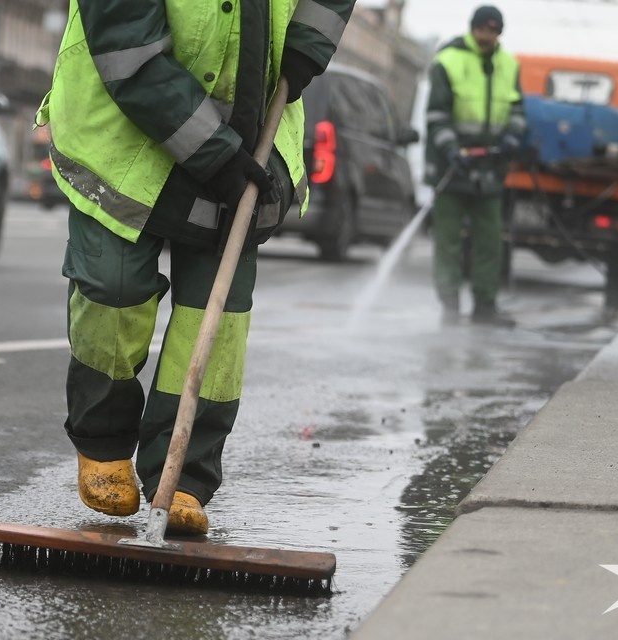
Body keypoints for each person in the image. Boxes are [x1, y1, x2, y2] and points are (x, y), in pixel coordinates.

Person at [35, 0, 354, 535]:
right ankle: (103, 441)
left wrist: (311, 40)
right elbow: (127, 45)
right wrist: (214, 154)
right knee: (114, 289)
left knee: (217, 318)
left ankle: (181, 474)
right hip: (121, 129)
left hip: (252, 135)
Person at [424, 5, 526, 327]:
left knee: (489, 241)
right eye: (482, 29)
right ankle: (450, 308)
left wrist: (511, 137)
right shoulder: (448, 61)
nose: (486, 36)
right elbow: (437, 115)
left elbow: (518, 111)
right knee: (448, 242)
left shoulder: (509, 65)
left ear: (499, 34)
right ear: (473, 28)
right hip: (452, 167)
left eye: (493, 31)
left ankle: (485, 306)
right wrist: (451, 149)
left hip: (490, 169)